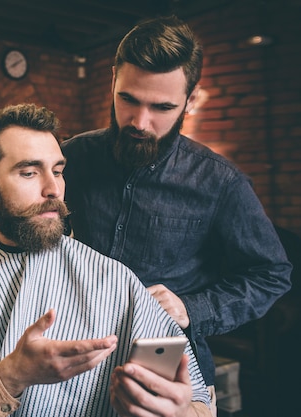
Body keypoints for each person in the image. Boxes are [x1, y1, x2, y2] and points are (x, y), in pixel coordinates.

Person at [0, 103, 211, 416]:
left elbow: (198, 402)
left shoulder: (114, 279)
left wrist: (175, 411)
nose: (54, 188)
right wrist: (11, 375)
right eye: (29, 172)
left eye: (57, 171)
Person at [61, 15, 292, 396]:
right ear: (113, 79)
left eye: (162, 107)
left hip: (162, 354)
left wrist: (191, 308)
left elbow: (272, 274)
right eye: (128, 99)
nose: (140, 121)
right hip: (74, 343)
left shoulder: (221, 182)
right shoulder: (72, 158)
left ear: (192, 99)